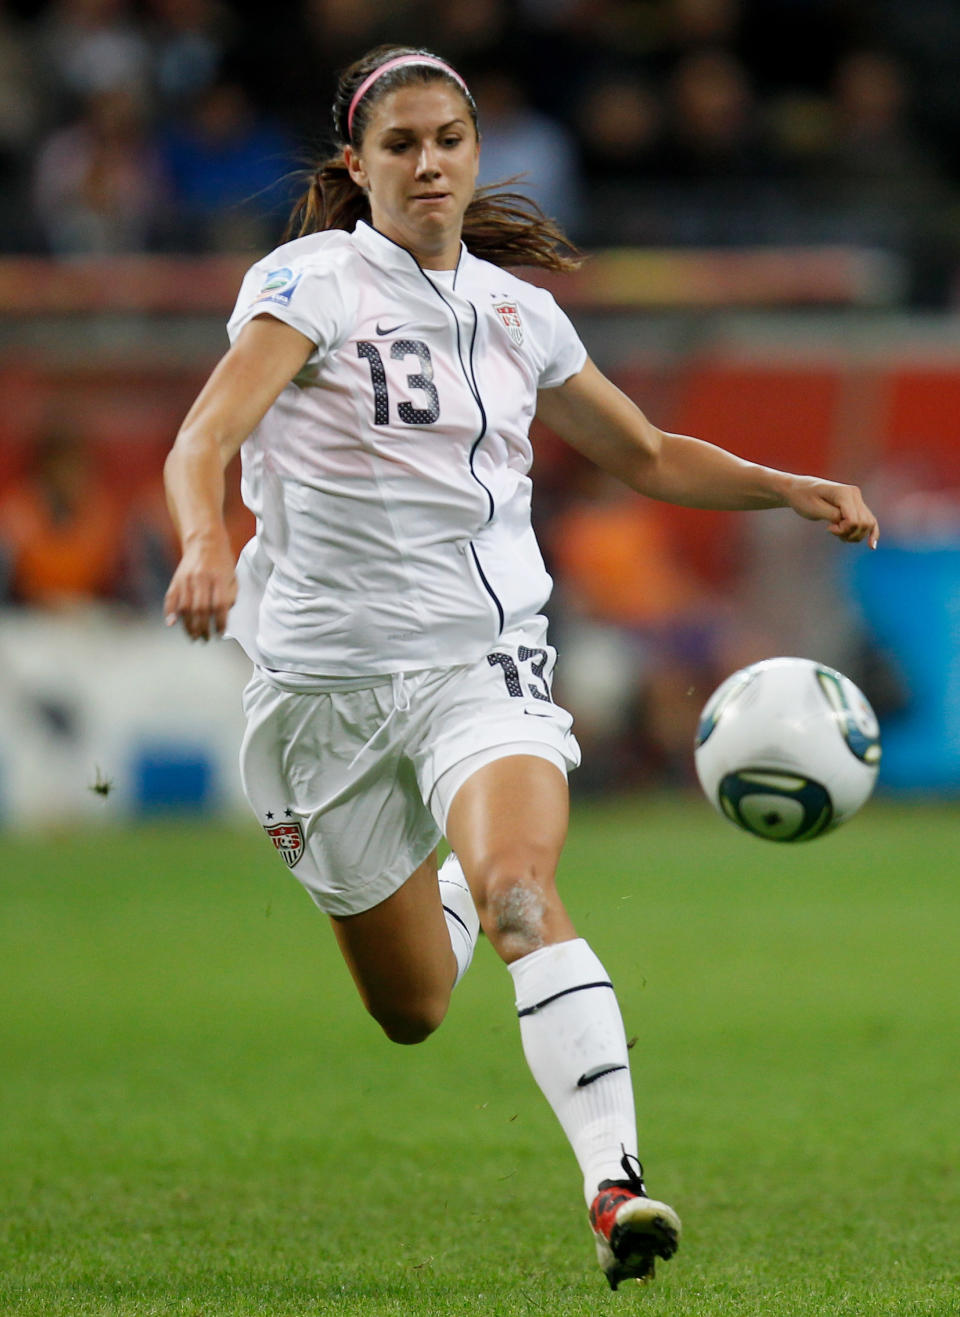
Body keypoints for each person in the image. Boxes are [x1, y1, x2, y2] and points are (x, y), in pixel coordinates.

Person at [162, 44, 879, 1289]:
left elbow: (645, 453)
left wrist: (784, 487)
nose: (428, 162)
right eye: (400, 145)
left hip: (475, 666)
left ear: (476, 150)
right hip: (318, 696)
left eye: (447, 139)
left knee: (521, 897)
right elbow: (205, 436)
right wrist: (200, 539)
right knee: (413, 1010)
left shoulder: (517, 311)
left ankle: (616, 1186)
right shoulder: (309, 283)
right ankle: (438, 885)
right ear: (359, 165)